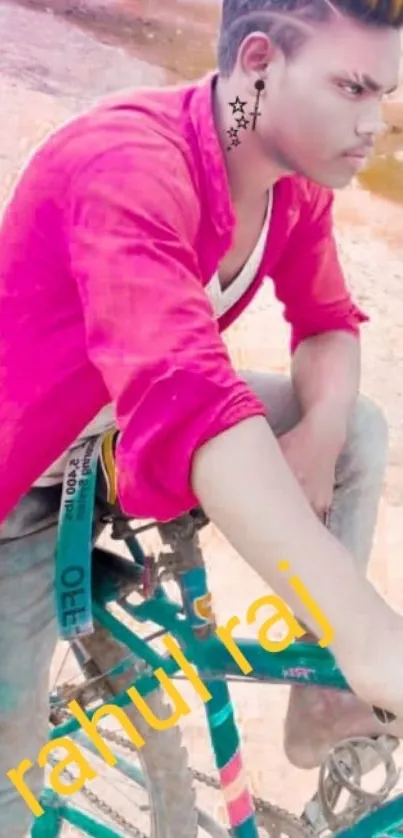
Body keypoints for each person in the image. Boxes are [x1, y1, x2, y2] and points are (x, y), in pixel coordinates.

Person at [1, 0, 403, 833]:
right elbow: (187, 394)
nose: (376, 125)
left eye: (387, 94)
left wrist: (317, 436)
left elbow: (327, 321)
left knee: (356, 425)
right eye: (353, 88)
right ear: (258, 63)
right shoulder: (125, 163)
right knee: (13, 774)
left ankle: (321, 700)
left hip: (117, 428)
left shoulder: (288, 182)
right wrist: (366, 631)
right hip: (22, 472)